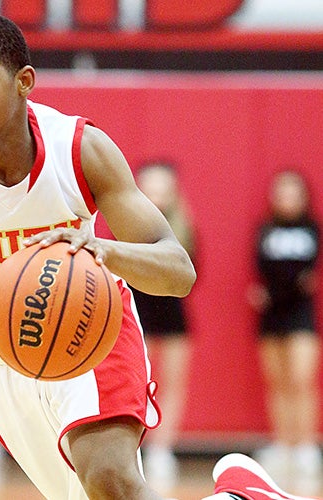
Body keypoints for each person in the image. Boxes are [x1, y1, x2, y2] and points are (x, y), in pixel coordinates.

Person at [0, 13, 318, 500]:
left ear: (24, 82)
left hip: (90, 332)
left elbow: (178, 271)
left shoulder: (79, 150)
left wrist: (106, 251)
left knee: (110, 481)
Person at [97, 161, 196, 495]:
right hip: (131, 308)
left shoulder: (182, 230)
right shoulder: (125, 226)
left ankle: (163, 448)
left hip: (171, 313)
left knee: (173, 382)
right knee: (133, 380)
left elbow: (191, 274)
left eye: (162, 187)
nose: (155, 194)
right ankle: (131, 447)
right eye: (149, 186)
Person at [248, 169, 321, 496]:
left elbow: (309, 275)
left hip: (301, 314)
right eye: (282, 192)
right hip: (271, 315)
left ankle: (306, 445)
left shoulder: (312, 230)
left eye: (293, 192)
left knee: (301, 380)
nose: (287, 198)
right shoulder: (265, 230)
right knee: (277, 382)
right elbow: (261, 270)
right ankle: (283, 443)